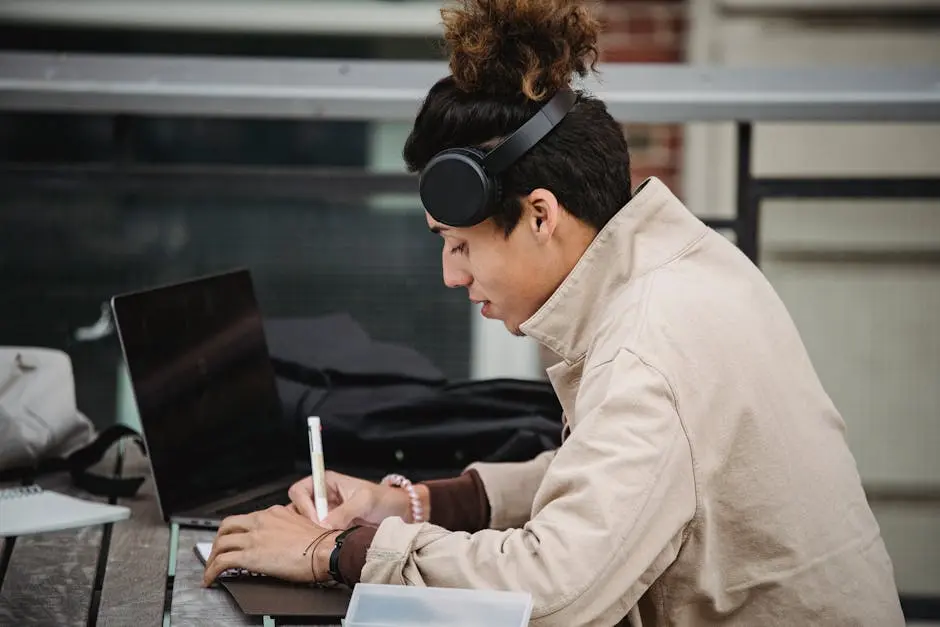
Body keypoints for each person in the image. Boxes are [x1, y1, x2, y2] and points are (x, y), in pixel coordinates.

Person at [202, 0, 906, 624]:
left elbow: (553, 593)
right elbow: (613, 479)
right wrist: (418, 505)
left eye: (459, 245)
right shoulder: (677, 268)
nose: (450, 274)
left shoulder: (650, 343)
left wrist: (335, 551)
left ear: (540, 214)